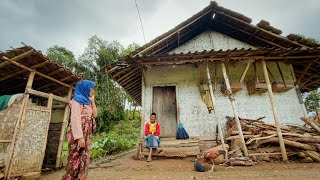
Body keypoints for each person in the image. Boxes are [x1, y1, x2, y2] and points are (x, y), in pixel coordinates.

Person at [62, 80, 97, 180]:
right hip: (78, 133)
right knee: (74, 158)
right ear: (85, 88)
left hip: (86, 134)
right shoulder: (77, 101)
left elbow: (94, 115)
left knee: (84, 158)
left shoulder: (87, 101)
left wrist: (93, 102)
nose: (93, 91)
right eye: (92, 88)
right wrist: (79, 137)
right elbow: (75, 119)